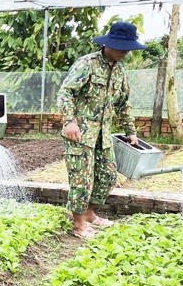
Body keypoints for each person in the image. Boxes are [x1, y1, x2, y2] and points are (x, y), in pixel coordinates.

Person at [57, 21, 145, 239]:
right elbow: (65, 92)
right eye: (121, 48)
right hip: (79, 134)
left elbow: (124, 103)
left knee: (107, 174)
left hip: (103, 135)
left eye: (128, 49)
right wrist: (70, 121)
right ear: (109, 44)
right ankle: (78, 224)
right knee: (82, 178)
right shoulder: (87, 64)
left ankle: (89, 214)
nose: (125, 52)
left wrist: (131, 131)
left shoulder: (120, 71)